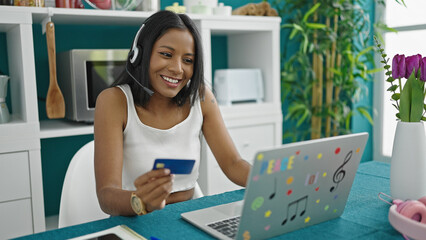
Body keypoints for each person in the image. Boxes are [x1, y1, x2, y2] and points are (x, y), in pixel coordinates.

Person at [94, 10, 251, 216]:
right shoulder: (113, 101)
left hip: (190, 213)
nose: (178, 69)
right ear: (139, 54)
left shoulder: (202, 98)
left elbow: (233, 164)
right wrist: (139, 201)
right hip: (137, 217)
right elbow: (106, 195)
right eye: (166, 55)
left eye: (188, 60)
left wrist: (272, 180)